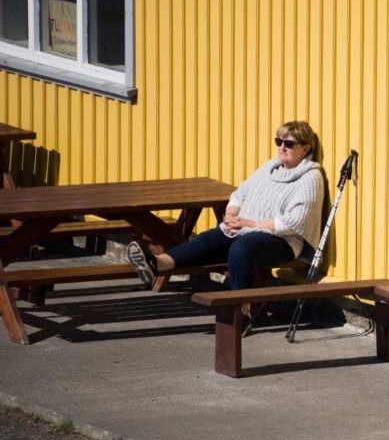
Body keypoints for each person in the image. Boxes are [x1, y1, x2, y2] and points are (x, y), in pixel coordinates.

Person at [127, 121, 325, 304]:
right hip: (244, 229)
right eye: (278, 141)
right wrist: (230, 216)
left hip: (282, 240)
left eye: (289, 144)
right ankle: (157, 264)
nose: (282, 147)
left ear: (305, 148)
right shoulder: (270, 167)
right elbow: (241, 193)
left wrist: (251, 224)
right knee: (209, 239)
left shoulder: (310, 177)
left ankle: (241, 310)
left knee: (242, 248)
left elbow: (295, 222)